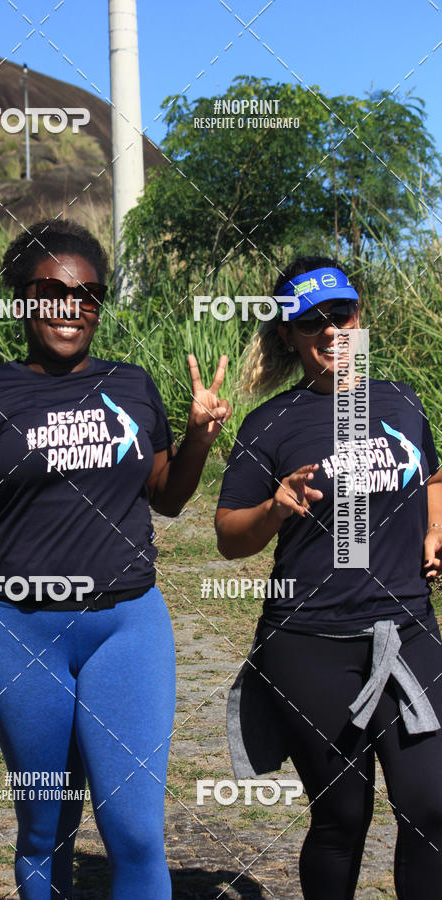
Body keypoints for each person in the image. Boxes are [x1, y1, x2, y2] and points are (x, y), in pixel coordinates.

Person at [0, 220, 231, 899]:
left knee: (135, 834)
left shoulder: (131, 385)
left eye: (88, 294)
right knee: (46, 829)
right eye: (53, 291)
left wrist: (198, 437)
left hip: (127, 627)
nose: (71, 307)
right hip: (20, 632)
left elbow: (168, 498)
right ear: (22, 299)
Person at [216, 256, 442, 899]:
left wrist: (435, 529)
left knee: (431, 806)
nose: (331, 332)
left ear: (358, 317)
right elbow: (229, 535)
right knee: (342, 816)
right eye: (312, 322)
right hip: (309, 642)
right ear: (288, 334)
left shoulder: (401, 400)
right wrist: (273, 508)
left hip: (408, 630)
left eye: (340, 315)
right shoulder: (270, 424)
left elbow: (432, 476)